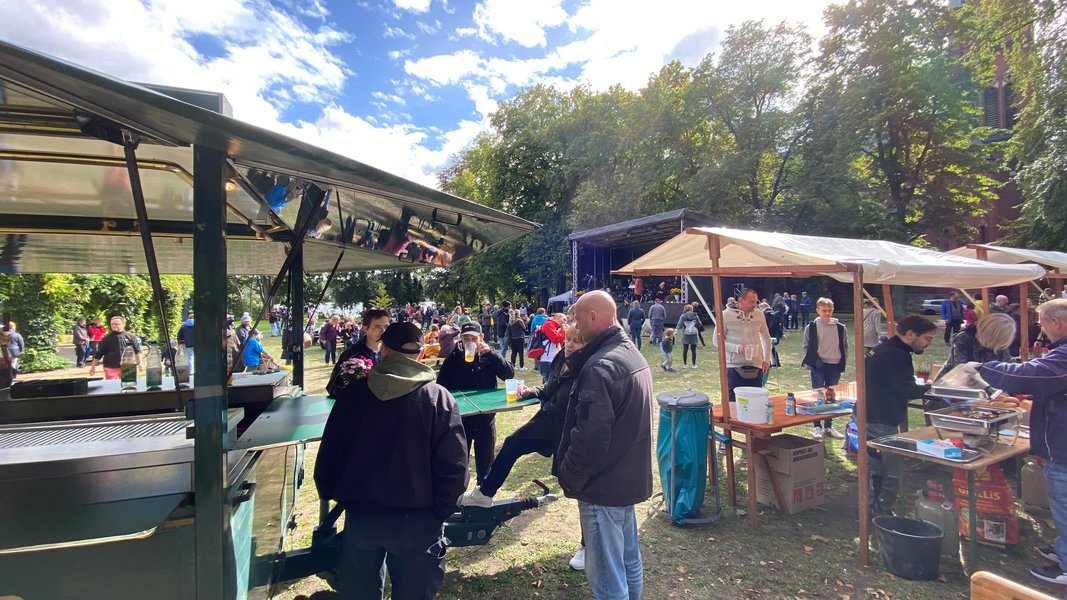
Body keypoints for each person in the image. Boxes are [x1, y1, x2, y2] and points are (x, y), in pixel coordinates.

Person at [315, 322, 467, 600]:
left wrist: (331, 492)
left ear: (384, 350)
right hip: (418, 522)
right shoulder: (439, 399)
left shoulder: (353, 396)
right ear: (420, 355)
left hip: (362, 517)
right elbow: (455, 467)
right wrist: (440, 513)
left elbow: (330, 453)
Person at [555, 290, 653, 600]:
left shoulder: (600, 366)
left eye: (578, 320)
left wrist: (569, 473)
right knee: (626, 560)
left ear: (594, 317)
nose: (576, 327)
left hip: (603, 484)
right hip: (625, 476)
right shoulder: (631, 352)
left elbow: (592, 434)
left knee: (608, 575)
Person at [967, 299, 1067, 585]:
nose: (1042, 331)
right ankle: (1062, 550)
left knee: (1064, 504)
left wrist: (985, 369)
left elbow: (1032, 374)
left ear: (1056, 323)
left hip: (1063, 444)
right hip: (1059, 440)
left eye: (1043, 325)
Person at [462, 326, 587, 507]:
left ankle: (484, 492)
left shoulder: (587, 366)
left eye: (576, 341)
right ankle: (484, 493)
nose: (569, 345)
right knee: (512, 443)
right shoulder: (562, 358)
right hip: (549, 421)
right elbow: (548, 388)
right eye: (568, 340)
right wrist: (531, 391)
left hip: (569, 430)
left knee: (579, 488)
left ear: (586, 344)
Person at [865, 315, 936, 517]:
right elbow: (906, 390)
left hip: (875, 413)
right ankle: (879, 511)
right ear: (911, 334)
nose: (929, 344)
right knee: (888, 472)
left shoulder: (888, 349)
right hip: (879, 418)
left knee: (879, 470)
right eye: (927, 339)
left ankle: (875, 508)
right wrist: (935, 388)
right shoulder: (894, 354)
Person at [437, 322, 514, 484]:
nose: (470, 342)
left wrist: (492, 354)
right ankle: (457, 500)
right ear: (461, 340)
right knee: (458, 464)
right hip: (461, 421)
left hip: (485, 420)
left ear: (481, 338)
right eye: (466, 339)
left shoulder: (489, 356)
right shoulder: (453, 357)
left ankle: (482, 497)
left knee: (485, 466)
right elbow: (441, 387)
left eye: (474, 338)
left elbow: (509, 375)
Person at [800, 298, 847, 440]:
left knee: (831, 396)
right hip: (818, 364)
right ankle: (816, 426)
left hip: (834, 364)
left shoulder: (840, 327)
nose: (827, 313)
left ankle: (828, 425)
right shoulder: (812, 327)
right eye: (824, 310)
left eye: (830, 310)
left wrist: (841, 362)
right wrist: (815, 360)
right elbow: (806, 346)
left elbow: (844, 346)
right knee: (818, 395)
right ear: (818, 310)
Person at [715, 288, 772, 401]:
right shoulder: (725, 315)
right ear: (741, 300)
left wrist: (766, 359)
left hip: (756, 365)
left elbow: (766, 338)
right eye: (751, 302)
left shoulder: (759, 314)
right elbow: (717, 340)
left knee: (754, 400)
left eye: (756, 301)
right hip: (733, 366)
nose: (755, 305)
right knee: (733, 401)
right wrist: (737, 348)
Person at [327, 309, 390, 397]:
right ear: (365, 328)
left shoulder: (392, 353)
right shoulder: (352, 354)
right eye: (377, 326)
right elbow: (333, 387)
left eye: (386, 327)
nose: (383, 331)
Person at [942, 312, 1015, 374]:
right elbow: (960, 367)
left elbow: (1006, 367)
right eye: (998, 339)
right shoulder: (964, 337)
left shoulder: (1001, 343)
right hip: (960, 382)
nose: (999, 343)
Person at [676, 304, 701, 369]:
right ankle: (694, 364)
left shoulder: (683, 316)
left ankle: (685, 364)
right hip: (694, 334)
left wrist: (676, 331)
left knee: (685, 349)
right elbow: (699, 323)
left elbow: (679, 324)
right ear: (691, 309)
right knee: (693, 350)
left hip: (685, 333)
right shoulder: (695, 315)